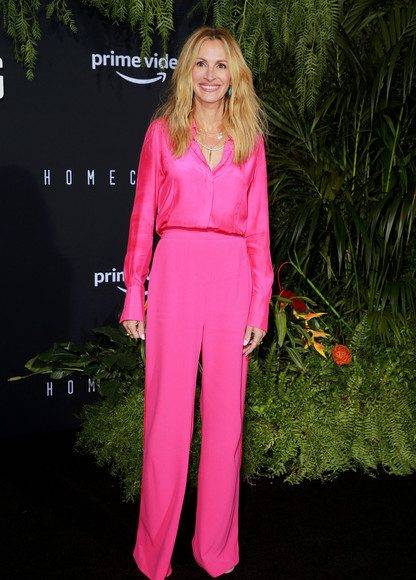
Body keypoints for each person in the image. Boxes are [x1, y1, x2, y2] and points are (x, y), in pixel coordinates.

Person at [119, 25, 274, 580]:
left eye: (221, 65)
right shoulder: (163, 133)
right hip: (176, 272)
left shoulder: (249, 139)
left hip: (232, 277)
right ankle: (154, 552)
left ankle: (215, 549)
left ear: (235, 77)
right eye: (201, 64)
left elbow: (259, 229)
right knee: (167, 419)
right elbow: (142, 218)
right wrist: (133, 295)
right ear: (187, 71)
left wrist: (259, 305)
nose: (210, 75)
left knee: (226, 424)